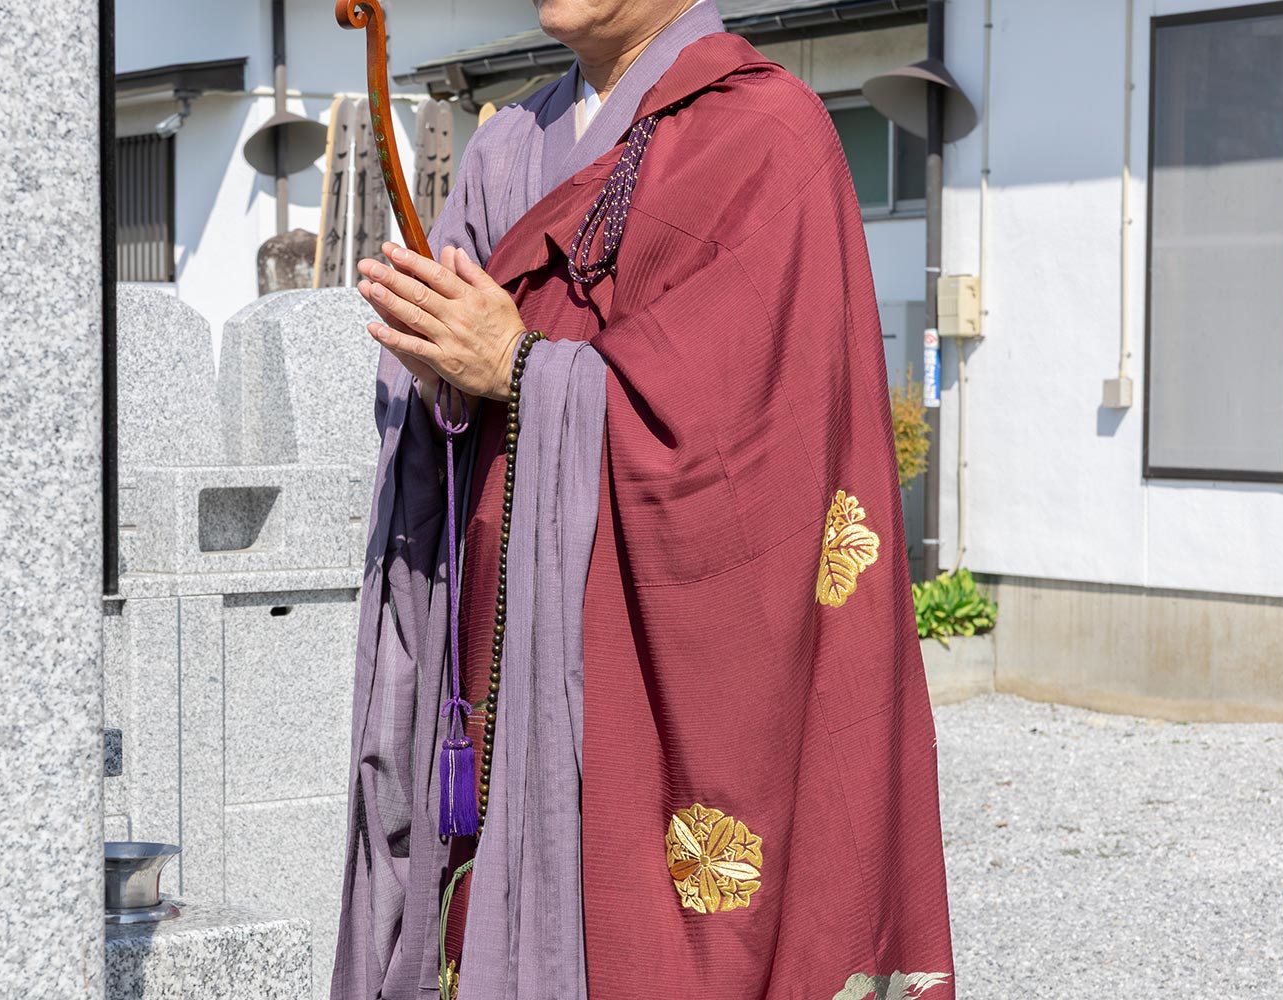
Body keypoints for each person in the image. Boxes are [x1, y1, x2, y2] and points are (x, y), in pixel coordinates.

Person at [332, 2, 955, 998]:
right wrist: (439, 370)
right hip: (503, 648)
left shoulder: (771, 138)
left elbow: (761, 437)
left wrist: (524, 364)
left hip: (659, 657)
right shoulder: (507, 148)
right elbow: (440, 386)